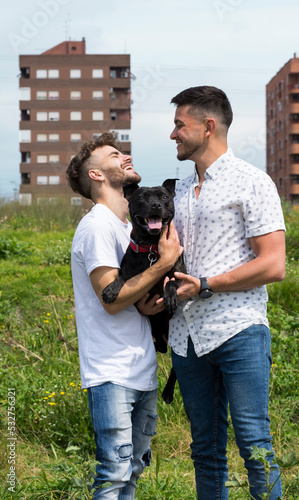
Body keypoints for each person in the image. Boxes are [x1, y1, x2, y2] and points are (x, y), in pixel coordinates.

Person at [168, 86, 286, 500]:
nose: (173, 134)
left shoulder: (252, 182)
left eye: (180, 125)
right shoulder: (180, 191)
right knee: (205, 451)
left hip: (238, 330)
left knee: (255, 445)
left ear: (209, 126)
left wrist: (206, 285)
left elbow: (273, 263)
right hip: (186, 339)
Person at [66, 132, 182, 500]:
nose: (126, 156)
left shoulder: (127, 227)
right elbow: (112, 299)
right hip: (111, 371)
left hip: (141, 368)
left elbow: (131, 295)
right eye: (115, 154)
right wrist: (164, 263)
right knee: (114, 475)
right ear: (97, 175)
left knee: (132, 473)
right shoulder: (98, 224)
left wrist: (149, 304)